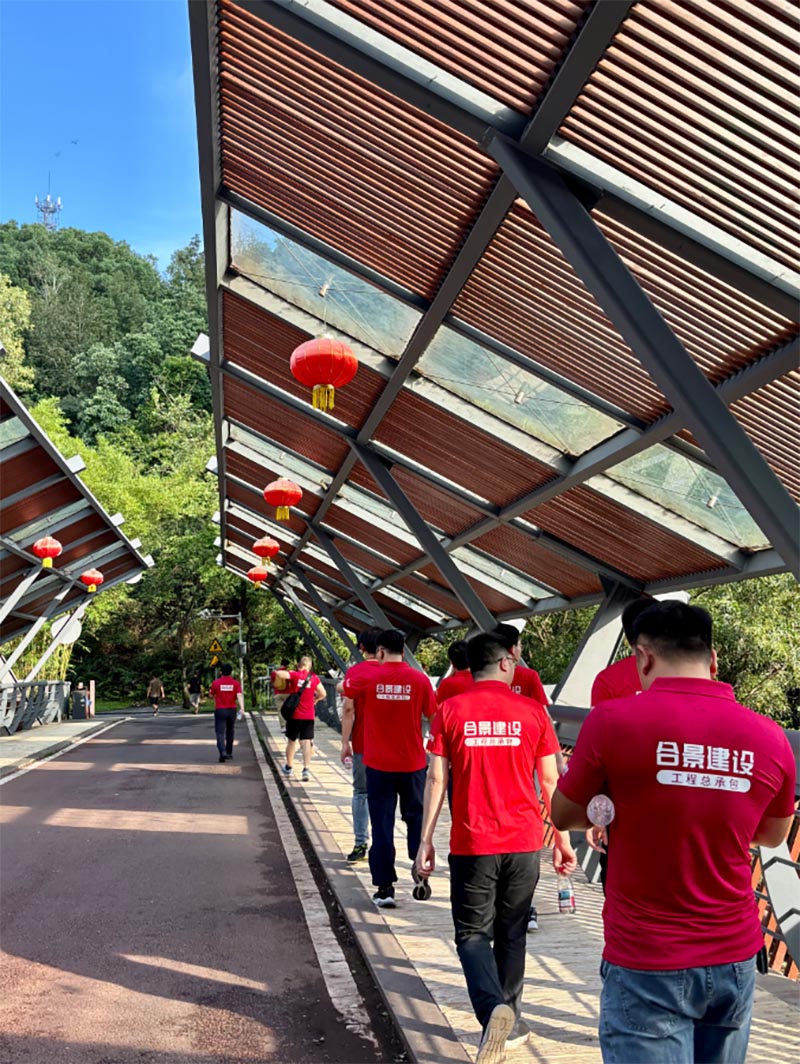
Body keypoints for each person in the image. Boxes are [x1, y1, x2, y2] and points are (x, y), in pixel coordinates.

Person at [552, 601, 795, 1064]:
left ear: (643, 657)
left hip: (647, 958)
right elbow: (770, 834)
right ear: (713, 658)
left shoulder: (611, 721)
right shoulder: (770, 736)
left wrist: (614, 808)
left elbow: (564, 814)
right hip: (734, 954)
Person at [417, 633, 577, 1064]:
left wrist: (425, 840)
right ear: (507, 663)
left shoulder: (450, 710)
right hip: (525, 842)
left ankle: (493, 1013)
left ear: (471, 667)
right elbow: (550, 781)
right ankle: (511, 1020)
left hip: (473, 842)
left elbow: (436, 778)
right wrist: (562, 839)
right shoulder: (533, 711)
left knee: (472, 934)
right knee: (512, 934)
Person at [344, 628, 437, 908]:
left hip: (378, 764)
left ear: (380, 651)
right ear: (404, 651)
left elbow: (345, 691)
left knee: (382, 823)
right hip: (413, 764)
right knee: (416, 818)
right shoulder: (419, 680)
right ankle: (420, 870)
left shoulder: (368, 678)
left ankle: (385, 888)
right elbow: (433, 714)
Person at [491, 622, 559, 932]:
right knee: (524, 831)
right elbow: (544, 718)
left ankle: (506, 904)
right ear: (513, 649)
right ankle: (523, 906)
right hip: (525, 766)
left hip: (493, 765)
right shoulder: (528, 677)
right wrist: (557, 759)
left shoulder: (489, 675)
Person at [587, 596, 654, 867]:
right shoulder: (688, 677)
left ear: (629, 639)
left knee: (619, 881)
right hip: (682, 807)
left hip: (623, 808)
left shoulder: (608, 680)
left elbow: (599, 753)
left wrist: (598, 816)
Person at [340, 627, 383, 863]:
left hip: (364, 744)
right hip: (392, 748)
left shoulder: (356, 672)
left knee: (361, 792)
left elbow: (349, 709)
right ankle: (383, 843)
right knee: (386, 797)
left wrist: (345, 742)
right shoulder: (396, 673)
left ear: (362, 647)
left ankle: (360, 844)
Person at [275, 655, 326, 782]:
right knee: (307, 742)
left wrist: (283, 670)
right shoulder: (314, 678)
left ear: (299, 665)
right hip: (309, 715)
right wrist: (315, 700)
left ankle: (289, 767)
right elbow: (323, 693)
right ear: (310, 666)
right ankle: (306, 769)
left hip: (295, 715)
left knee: (291, 741)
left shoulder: (295, 675)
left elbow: (280, 674)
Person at [208, 663, 244, 762]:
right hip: (232, 710)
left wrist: (212, 694)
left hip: (220, 710)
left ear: (221, 672)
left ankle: (222, 751)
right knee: (230, 731)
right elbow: (239, 695)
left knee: (220, 732)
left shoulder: (216, 683)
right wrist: (242, 708)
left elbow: (211, 695)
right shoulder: (235, 683)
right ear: (231, 672)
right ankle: (229, 752)